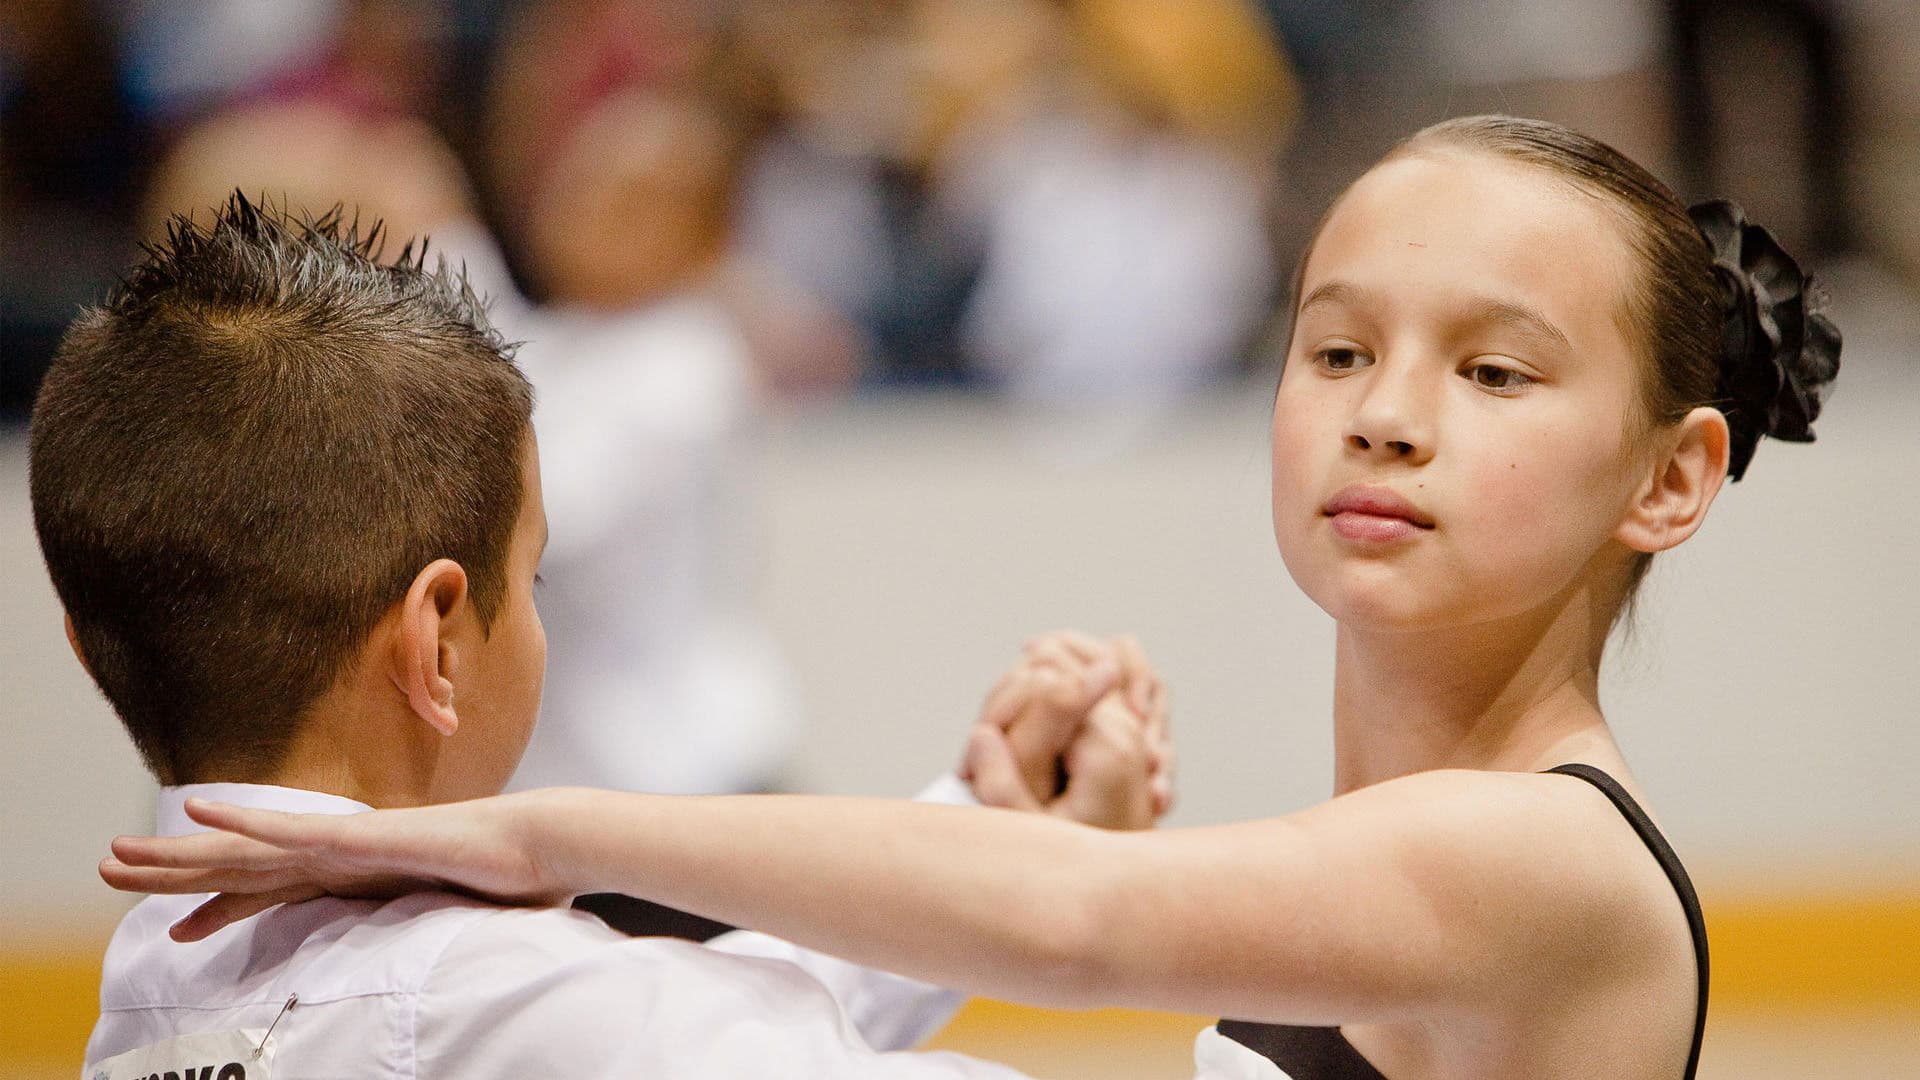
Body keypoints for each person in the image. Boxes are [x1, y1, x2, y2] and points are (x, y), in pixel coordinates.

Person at [102, 115, 1841, 1080]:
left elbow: (1080, 930)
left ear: (1672, 476)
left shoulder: (1550, 854)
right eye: (1338, 345)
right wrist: (1000, 815)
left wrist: (541, 841)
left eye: (1497, 372)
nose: (1387, 410)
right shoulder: (1378, 860)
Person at [33, 193, 1174, 1079]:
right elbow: (640, 1030)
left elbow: (696, 1016)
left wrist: (988, 819)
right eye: (529, 578)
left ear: (89, 650)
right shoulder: (475, 996)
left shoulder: (152, 978)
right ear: (436, 641)